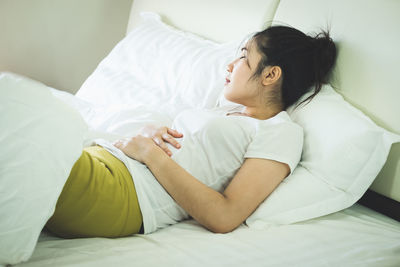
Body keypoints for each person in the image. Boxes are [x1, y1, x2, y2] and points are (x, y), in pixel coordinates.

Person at [45, 25, 337, 238]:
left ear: (271, 74)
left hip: (126, 194)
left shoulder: (281, 132)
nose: (231, 65)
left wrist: (151, 155)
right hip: (105, 160)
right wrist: (150, 134)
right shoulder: (225, 111)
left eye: (244, 58)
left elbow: (225, 216)